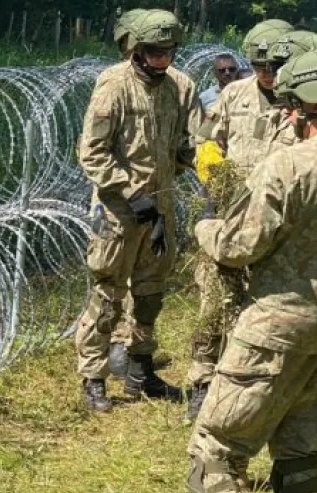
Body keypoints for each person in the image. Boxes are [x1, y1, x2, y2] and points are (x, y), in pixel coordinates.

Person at [156, 48, 317, 493]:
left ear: (297, 103)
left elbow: (240, 245)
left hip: (271, 328)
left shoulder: (290, 165)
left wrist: (203, 227)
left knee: (216, 449)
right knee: (300, 455)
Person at [75, 9, 199, 412]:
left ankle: (140, 370)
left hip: (160, 208)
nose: (163, 59)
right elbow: (92, 153)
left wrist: (195, 162)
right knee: (108, 293)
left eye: (169, 51)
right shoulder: (114, 85)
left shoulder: (180, 86)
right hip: (118, 211)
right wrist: (131, 193)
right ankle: (93, 377)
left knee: (150, 294)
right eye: (154, 51)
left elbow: (185, 141)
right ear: (135, 50)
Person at [184, 20, 300, 422]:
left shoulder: (301, 104)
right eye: (259, 65)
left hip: (279, 228)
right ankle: (201, 384)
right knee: (213, 304)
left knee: (265, 311)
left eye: (274, 65)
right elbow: (202, 138)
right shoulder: (233, 95)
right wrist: (210, 162)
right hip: (228, 216)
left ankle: (259, 388)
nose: (266, 73)